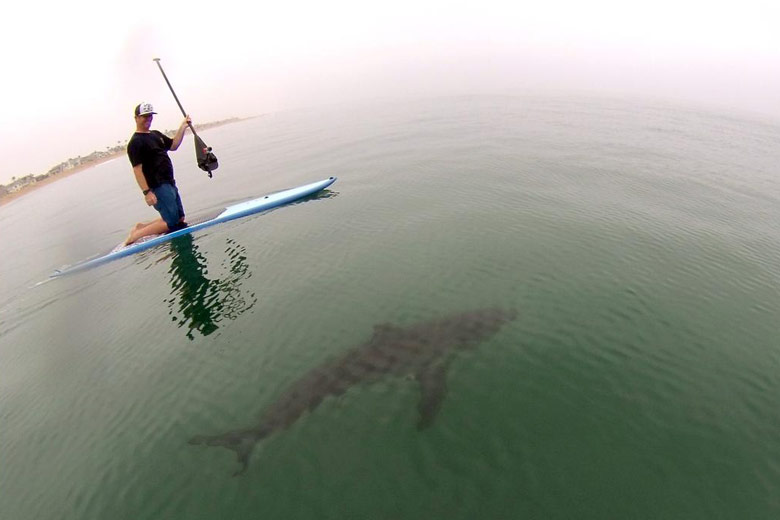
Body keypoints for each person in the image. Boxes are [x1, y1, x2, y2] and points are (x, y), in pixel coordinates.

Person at [124, 102, 192, 245]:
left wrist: (183, 127)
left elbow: (173, 145)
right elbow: (137, 169)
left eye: (150, 116)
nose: (148, 119)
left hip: (169, 181)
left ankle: (141, 227)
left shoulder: (155, 135)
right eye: (144, 117)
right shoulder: (135, 142)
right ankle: (136, 235)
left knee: (180, 219)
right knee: (171, 223)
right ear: (136, 118)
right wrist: (147, 192)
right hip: (157, 185)